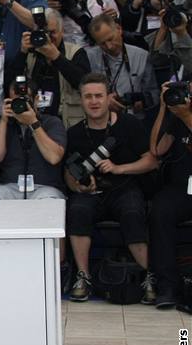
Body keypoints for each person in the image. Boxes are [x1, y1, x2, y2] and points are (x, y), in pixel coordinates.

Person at [64, 73, 156, 304]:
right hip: (91, 193)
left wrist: (119, 169)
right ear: (81, 100)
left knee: (133, 213)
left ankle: (148, 276)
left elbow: (151, 161)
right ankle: (83, 277)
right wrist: (78, 185)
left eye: (98, 96)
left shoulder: (129, 124)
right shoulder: (74, 133)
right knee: (77, 210)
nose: (93, 101)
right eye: (88, 97)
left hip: (124, 187)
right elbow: (67, 173)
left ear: (108, 98)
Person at [0, 77, 67, 200]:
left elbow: (54, 157)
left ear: (36, 100)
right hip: (9, 186)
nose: (21, 104)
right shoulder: (4, 124)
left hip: (43, 187)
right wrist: (3, 121)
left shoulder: (51, 122)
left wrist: (34, 123)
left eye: (25, 100)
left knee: (48, 202)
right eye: (16, 101)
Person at [149, 80, 192, 308]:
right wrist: (164, 107)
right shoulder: (178, 117)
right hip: (181, 188)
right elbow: (156, 149)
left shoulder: (185, 116)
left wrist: (186, 117)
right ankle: (167, 286)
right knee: (160, 210)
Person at [71, 14, 159, 121]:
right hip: (101, 120)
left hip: (135, 120)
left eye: (110, 39)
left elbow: (154, 93)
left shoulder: (142, 55)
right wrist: (104, 100)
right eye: (102, 44)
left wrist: (142, 102)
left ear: (119, 29)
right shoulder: (87, 57)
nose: (109, 46)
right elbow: (82, 93)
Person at [12, 8, 86, 127]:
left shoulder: (75, 52)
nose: (48, 38)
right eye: (44, 32)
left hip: (66, 120)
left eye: (52, 33)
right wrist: (22, 52)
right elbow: (11, 82)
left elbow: (83, 83)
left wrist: (56, 56)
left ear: (62, 31)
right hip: (35, 120)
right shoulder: (30, 54)